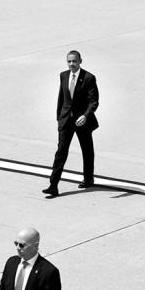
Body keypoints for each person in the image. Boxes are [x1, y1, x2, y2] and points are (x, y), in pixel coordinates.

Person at [43, 50, 99, 197]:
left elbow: (94, 101)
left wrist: (86, 116)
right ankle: (53, 186)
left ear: (80, 61)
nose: (71, 64)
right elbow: (61, 98)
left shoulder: (89, 78)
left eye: (74, 61)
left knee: (87, 150)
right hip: (66, 120)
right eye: (69, 61)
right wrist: (59, 119)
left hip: (82, 121)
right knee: (61, 153)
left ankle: (88, 178)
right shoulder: (63, 75)